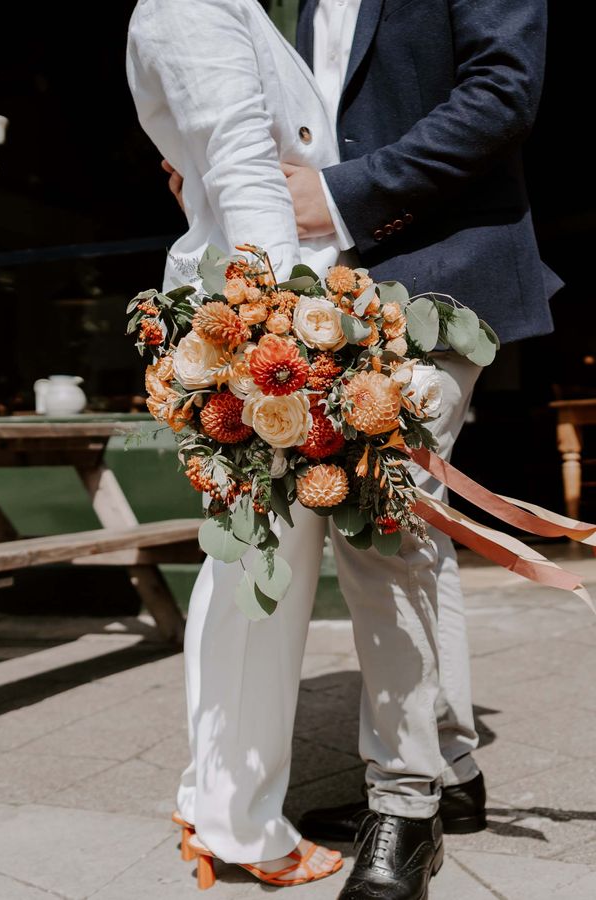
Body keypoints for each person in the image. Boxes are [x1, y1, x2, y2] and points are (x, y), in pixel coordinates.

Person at [280, 1, 562, 897]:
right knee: (411, 527)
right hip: (326, 284)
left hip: (447, 270)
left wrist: (333, 193)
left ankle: (404, 807)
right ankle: (451, 772)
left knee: (371, 510)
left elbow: (501, 90)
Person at [126, 0, 345, 888]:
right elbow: (247, 168)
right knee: (263, 582)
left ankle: (212, 799)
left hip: (250, 321)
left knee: (247, 577)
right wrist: (284, 336)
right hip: (263, 337)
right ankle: (242, 829)